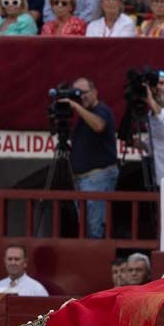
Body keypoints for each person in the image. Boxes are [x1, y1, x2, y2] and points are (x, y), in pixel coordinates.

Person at [64, 77, 118, 239]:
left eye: (84, 93)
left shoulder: (101, 110)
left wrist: (75, 106)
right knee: (85, 226)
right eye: (77, 94)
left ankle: (97, 261)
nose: (81, 97)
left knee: (95, 227)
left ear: (95, 92)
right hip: (82, 179)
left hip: (97, 177)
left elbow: (98, 126)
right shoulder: (83, 117)